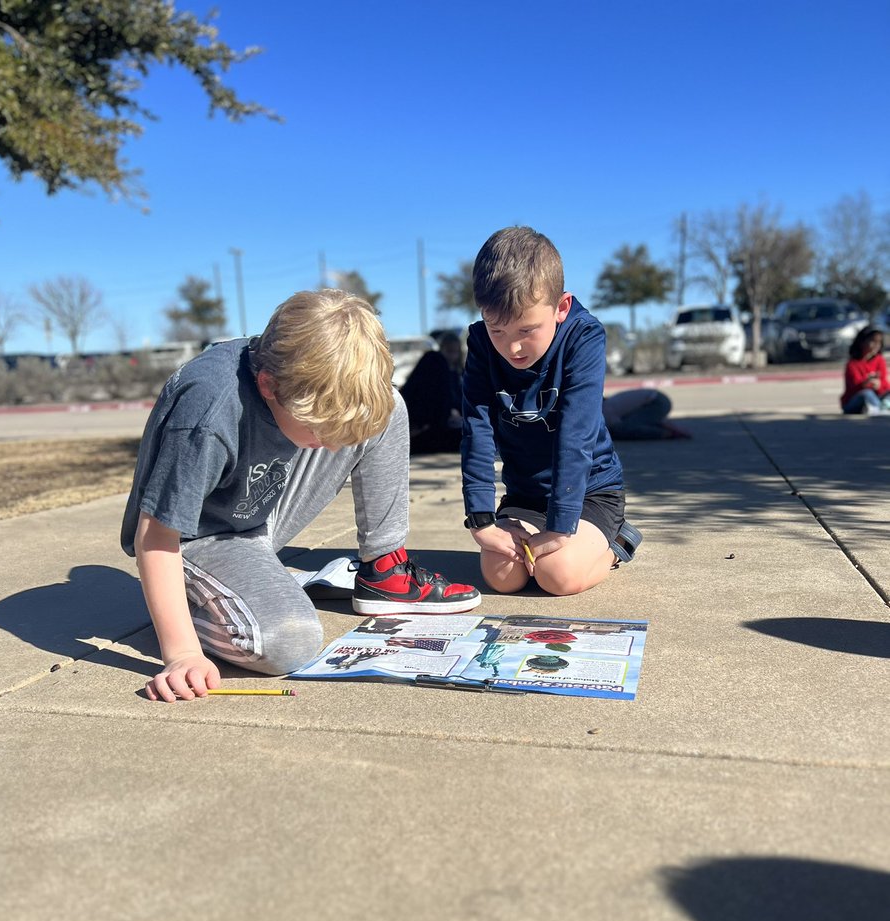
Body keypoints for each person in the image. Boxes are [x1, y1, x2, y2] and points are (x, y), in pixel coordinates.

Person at [121, 290, 481, 702]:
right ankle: (187, 608)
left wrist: (324, 428)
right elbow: (155, 535)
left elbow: (340, 425)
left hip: (256, 510)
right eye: (317, 431)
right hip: (199, 539)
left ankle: (385, 571)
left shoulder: (294, 376)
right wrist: (182, 651)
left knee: (386, 407)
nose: (332, 447)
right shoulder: (208, 414)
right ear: (268, 385)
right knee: (290, 641)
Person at [460, 226, 641, 596]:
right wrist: (482, 520)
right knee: (502, 575)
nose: (512, 348)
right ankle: (555, 540)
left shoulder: (583, 337)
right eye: (497, 330)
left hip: (589, 492)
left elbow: (577, 434)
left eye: (527, 330)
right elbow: (476, 428)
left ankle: (616, 543)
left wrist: (560, 528)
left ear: (561, 308)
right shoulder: (480, 344)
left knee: (557, 575)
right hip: (525, 495)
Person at [400, 331, 464, 453]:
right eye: (449, 351)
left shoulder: (459, 373)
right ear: (442, 349)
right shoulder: (434, 362)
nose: (452, 356)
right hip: (426, 426)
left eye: (455, 352)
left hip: (443, 424)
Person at [602, 387, 692, 440]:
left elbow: (616, 427)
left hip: (657, 403)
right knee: (628, 423)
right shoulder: (609, 404)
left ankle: (666, 433)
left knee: (622, 430)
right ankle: (660, 424)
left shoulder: (606, 409)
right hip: (656, 400)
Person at [840, 325, 890, 414]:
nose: (876, 345)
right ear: (862, 342)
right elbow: (854, 388)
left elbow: (885, 385)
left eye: (879, 342)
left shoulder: (880, 360)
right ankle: (879, 410)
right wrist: (865, 384)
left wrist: (879, 385)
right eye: (873, 341)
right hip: (853, 402)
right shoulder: (853, 364)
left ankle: (880, 407)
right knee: (867, 393)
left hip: (876, 397)